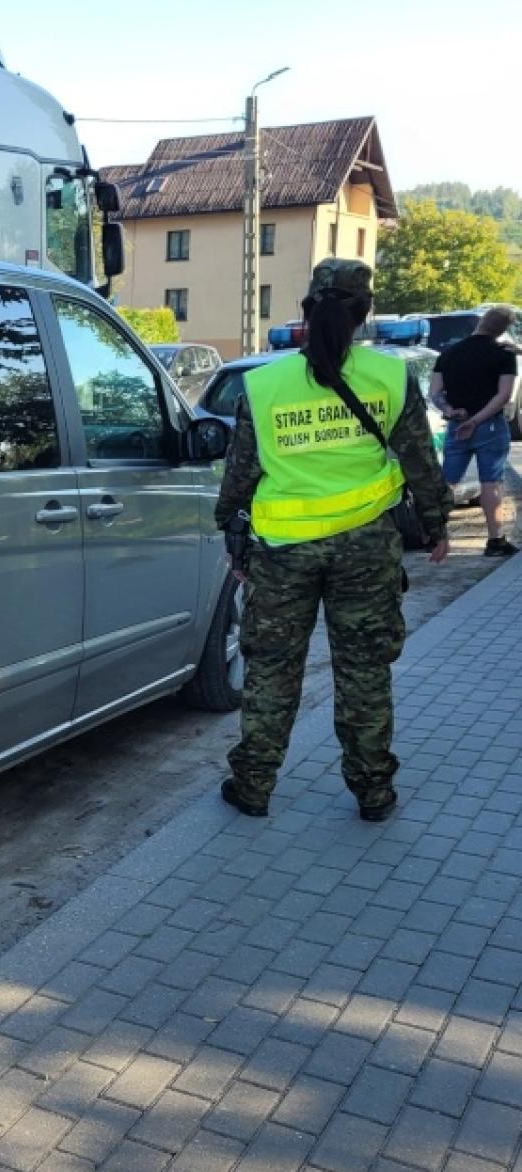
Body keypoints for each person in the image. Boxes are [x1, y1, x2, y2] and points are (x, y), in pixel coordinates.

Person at [215, 259, 452, 822]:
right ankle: (374, 792)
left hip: (283, 552)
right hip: (366, 551)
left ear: (305, 310)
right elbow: (420, 456)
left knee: (272, 669)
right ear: (366, 314)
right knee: (364, 671)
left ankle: (253, 786)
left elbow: (241, 471)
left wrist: (230, 528)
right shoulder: (390, 377)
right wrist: (438, 523)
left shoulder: (265, 383)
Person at [429, 305, 519, 556]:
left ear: (480, 322)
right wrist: (477, 420)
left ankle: (435, 534)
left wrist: (450, 410)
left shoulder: (449, 354)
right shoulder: (503, 355)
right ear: (502, 330)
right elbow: (503, 396)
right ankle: (495, 540)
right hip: (489, 425)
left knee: (448, 480)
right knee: (491, 481)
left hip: (457, 425)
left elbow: (434, 393)